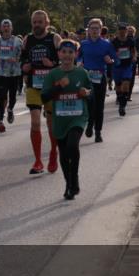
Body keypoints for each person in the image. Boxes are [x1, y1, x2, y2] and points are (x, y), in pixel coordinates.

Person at [40, 39, 93, 200]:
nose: (67, 55)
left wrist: (87, 93)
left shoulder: (82, 73)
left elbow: (92, 93)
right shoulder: (53, 74)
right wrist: (59, 87)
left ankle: (74, 178)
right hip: (60, 119)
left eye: (71, 52)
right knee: (63, 153)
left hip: (78, 116)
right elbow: (44, 97)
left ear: (76, 54)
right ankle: (68, 183)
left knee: (72, 145)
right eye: (64, 52)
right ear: (59, 54)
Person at [20, 10, 61, 174]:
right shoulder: (27, 40)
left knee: (51, 124)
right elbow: (22, 60)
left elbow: (65, 59)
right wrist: (24, 66)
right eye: (34, 22)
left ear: (46, 23)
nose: (36, 25)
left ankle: (53, 153)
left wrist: (52, 64)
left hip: (51, 86)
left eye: (40, 22)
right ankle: (37, 161)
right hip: (33, 86)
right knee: (35, 122)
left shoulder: (55, 39)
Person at [77, 19, 116, 143]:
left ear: (100, 30)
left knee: (99, 106)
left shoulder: (106, 44)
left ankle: (98, 132)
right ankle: (89, 124)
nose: (94, 31)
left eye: (97, 28)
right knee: (89, 104)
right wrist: (79, 64)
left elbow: (117, 59)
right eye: (92, 28)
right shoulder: (83, 44)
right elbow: (77, 58)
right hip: (87, 78)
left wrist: (110, 61)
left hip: (100, 78)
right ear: (88, 30)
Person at [0, 19, 22, 133]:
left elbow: (22, 54)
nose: (6, 28)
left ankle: (10, 109)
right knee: (1, 97)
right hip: (1, 73)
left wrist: (17, 59)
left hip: (14, 73)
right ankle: (0, 121)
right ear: (1, 28)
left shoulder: (17, 41)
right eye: (4, 26)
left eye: (8, 26)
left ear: (11, 28)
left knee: (13, 97)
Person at [109, 22, 136, 116]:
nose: (122, 32)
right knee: (118, 87)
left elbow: (133, 51)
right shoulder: (114, 42)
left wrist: (133, 57)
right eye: (120, 30)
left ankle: (122, 106)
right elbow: (110, 53)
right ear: (118, 31)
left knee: (125, 84)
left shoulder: (130, 41)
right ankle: (120, 100)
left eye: (124, 30)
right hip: (117, 66)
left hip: (127, 66)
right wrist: (113, 57)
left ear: (126, 31)